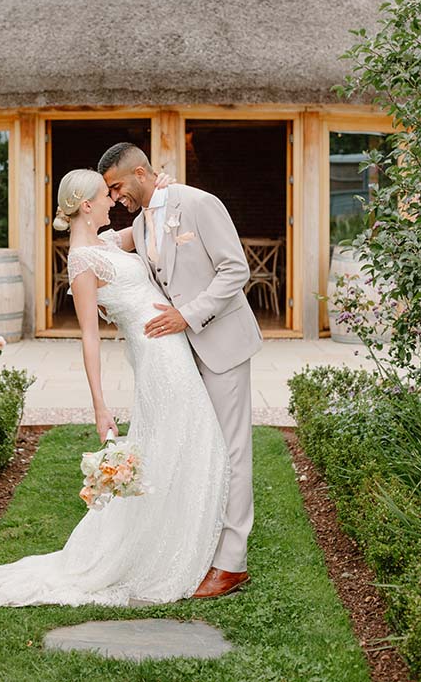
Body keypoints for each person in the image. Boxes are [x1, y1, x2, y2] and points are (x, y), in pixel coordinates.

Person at [0, 168, 230, 608]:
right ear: (86, 205)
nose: (113, 200)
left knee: (187, 444)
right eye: (104, 195)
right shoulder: (82, 262)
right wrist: (99, 406)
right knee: (192, 441)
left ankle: (179, 538)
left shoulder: (107, 243)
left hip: (172, 348)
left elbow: (148, 224)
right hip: (158, 360)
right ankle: (165, 550)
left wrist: (163, 191)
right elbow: (89, 336)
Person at [98, 143, 263, 599]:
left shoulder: (198, 203)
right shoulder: (140, 221)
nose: (114, 198)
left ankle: (232, 564)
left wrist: (187, 315)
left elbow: (235, 271)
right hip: (181, 356)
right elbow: (102, 246)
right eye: (109, 192)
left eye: (116, 187)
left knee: (232, 451)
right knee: (201, 449)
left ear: (141, 172)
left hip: (222, 343)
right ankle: (201, 545)